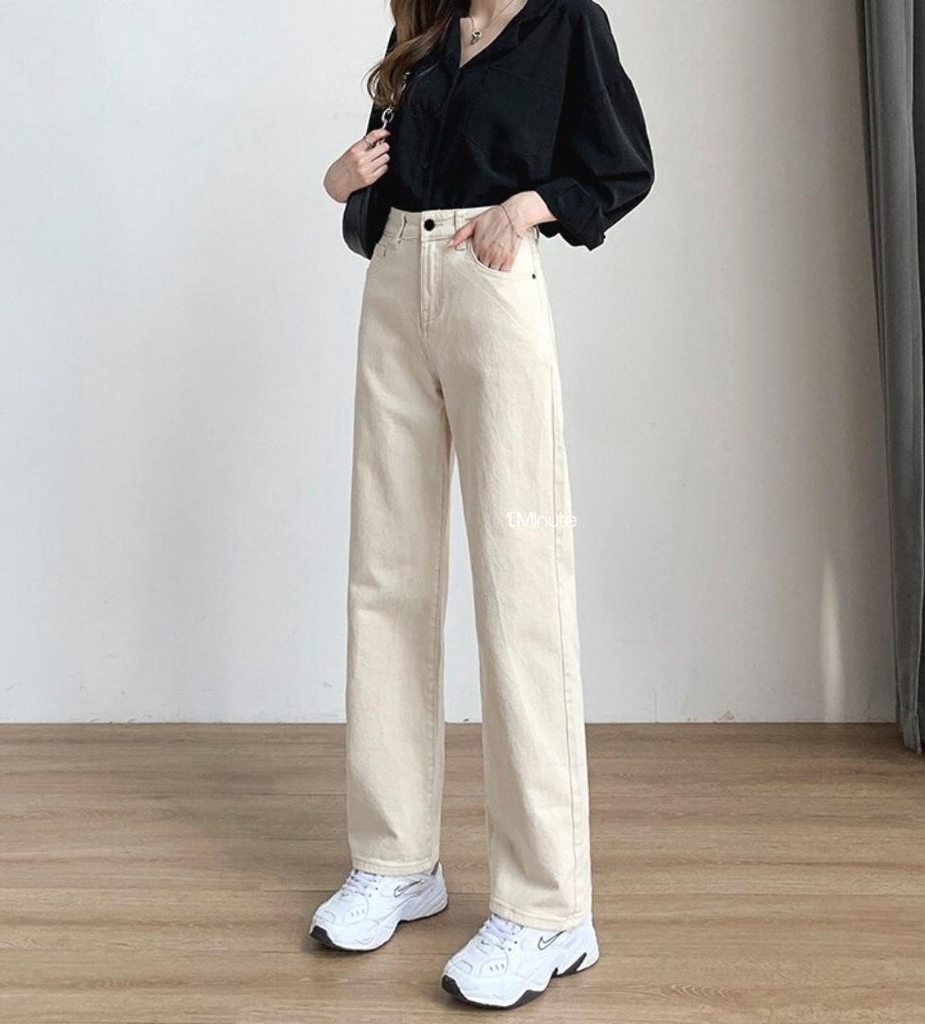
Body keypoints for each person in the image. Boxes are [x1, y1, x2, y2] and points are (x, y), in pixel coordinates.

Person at [312, 0, 654, 1008]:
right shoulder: (423, 32)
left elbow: (623, 166)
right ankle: (395, 860)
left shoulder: (567, 23)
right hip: (393, 287)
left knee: (521, 586)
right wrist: (342, 183)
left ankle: (548, 910)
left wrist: (530, 205)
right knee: (386, 577)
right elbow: (379, 178)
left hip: (491, 289)